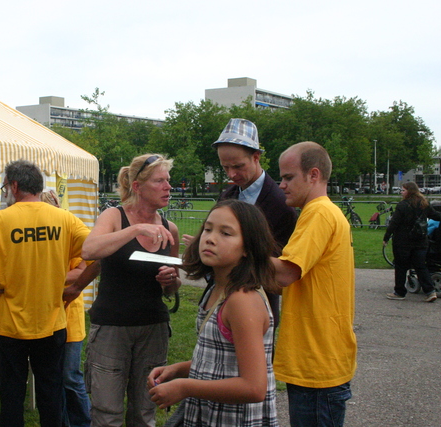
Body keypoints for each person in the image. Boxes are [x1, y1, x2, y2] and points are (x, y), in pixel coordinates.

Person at [0, 160, 90, 427]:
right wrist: (76, 287)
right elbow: (100, 255)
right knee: (51, 393)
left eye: (6, 186)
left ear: (14, 186)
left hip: (10, 325)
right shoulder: (64, 219)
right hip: (52, 322)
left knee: (12, 396)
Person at [148, 199, 279, 426]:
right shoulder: (218, 289)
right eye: (207, 229)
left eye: (226, 233)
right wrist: (178, 370)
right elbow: (223, 361)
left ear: (248, 247)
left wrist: (185, 387)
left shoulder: (242, 301)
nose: (210, 238)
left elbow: (254, 387)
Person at [81, 154, 180, 427]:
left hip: (153, 327)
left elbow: (173, 288)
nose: (168, 187)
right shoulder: (114, 216)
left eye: (168, 181)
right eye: (160, 181)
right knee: (107, 412)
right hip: (112, 327)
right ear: (137, 187)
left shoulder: (170, 228)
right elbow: (89, 250)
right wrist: (135, 229)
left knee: (144, 412)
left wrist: (170, 281)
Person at [271, 141, 357, 427]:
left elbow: (285, 273)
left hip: (317, 363)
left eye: (288, 177)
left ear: (313, 175)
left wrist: (233, 252)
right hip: (318, 359)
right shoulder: (321, 212)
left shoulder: (319, 213)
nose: (281, 184)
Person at [209, 118, 297, 328]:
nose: (231, 174)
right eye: (225, 167)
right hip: (221, 301)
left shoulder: (280, 203)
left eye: (238, 166)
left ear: (256, 157)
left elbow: (281, 267)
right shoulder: (228, 195)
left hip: (257, 307)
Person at [40, 190, 92, 427]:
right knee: (52, 378)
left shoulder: (71, 231)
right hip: (44, 318)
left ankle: (82, 422)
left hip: (68, 317)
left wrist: (44, 278)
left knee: (70, 377)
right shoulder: (40, 237)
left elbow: (82, 270)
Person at [383, 182, 441, 302]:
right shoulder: (424, 204)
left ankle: (400, 292)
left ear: (409, 191)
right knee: (421, 266)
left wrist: (386, 237)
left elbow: (394, 223)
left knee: (401, 267)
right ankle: (430, 291)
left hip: (403, 241)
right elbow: (437, 216)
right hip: (420, 241)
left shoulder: (402, 205)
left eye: (403, 190)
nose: (401, 192)